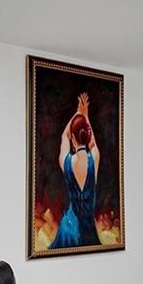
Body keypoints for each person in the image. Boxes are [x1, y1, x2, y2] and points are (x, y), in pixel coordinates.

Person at [49, 92, 102, 249]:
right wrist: (85, 116)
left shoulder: (67, 163)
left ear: (73, 137)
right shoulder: (95, 158)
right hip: (88, 232)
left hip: (68, 230)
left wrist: (78, 113)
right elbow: (92, 144)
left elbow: (64, 136)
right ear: (88, 135)